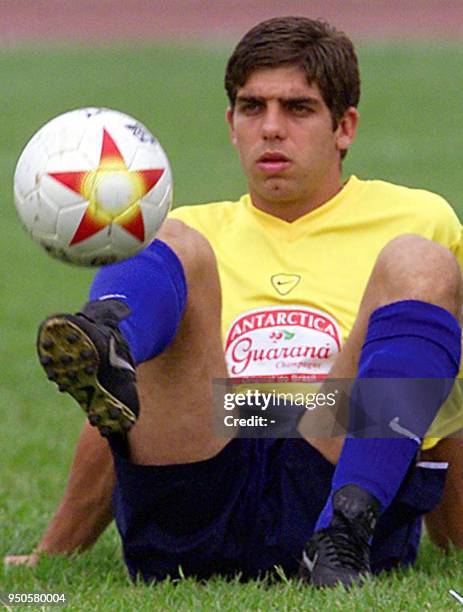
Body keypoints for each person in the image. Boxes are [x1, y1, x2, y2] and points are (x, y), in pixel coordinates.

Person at [6, 16, 463, 587]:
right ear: (231, 123)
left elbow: (439, 404)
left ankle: (342, 539)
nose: (271, 129)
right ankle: (110, 334)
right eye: (253, 108)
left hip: (330, 469)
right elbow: (120, 412)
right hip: (201, 477)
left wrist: (456, 541)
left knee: (421, 261)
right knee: (164, 237)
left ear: (344, 126)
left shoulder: (416, 217)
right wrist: (55, 552)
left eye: (298, 109)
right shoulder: (190, 236)